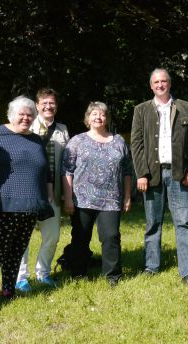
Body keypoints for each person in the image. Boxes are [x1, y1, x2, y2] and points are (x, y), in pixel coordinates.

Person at [0, 96, 53, 308]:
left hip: (29, 207)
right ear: (12, 115)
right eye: (22, 114)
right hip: (1, 205)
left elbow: (45, 170)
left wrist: (47, 195)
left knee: (16, 250)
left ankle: (9, 289)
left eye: (30, 114)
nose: (26, 118)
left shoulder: (37, 139)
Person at [130, 68, 188, 285]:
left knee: (184, 222)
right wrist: (141, 173)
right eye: (156, 82)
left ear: (170, 84)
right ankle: (151, 266)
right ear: (151, 86)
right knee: (153, 223)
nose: (160, 85)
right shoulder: (141, 110)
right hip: (152, 175)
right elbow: (137, 144)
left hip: (179, 174)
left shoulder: (184, 107)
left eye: (164, 81)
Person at [62, 101, 132, 286]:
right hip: (82, 199)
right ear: (87, 118)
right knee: (80, 237)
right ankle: (78, 274)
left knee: (111, 236)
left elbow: (127, 171)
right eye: (94, 114)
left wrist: (127, 196)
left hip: (111, 199)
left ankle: (112, 277)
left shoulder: (119, 141)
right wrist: (68, 198)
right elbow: (67, 171)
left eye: (102, 114)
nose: (98, 117)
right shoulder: (77, 141)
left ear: (107, 118)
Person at [15, 88, 69, 292]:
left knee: (52, 235)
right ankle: (21, 278)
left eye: (52, 103)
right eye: (44, 103)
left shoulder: (63, 129)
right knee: (23, 237)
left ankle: (43, 273)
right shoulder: (26, 125)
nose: (48, 106)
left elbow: (66, 162)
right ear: (37, 106)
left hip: (53, 192)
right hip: (28, 192)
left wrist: (65, 192)